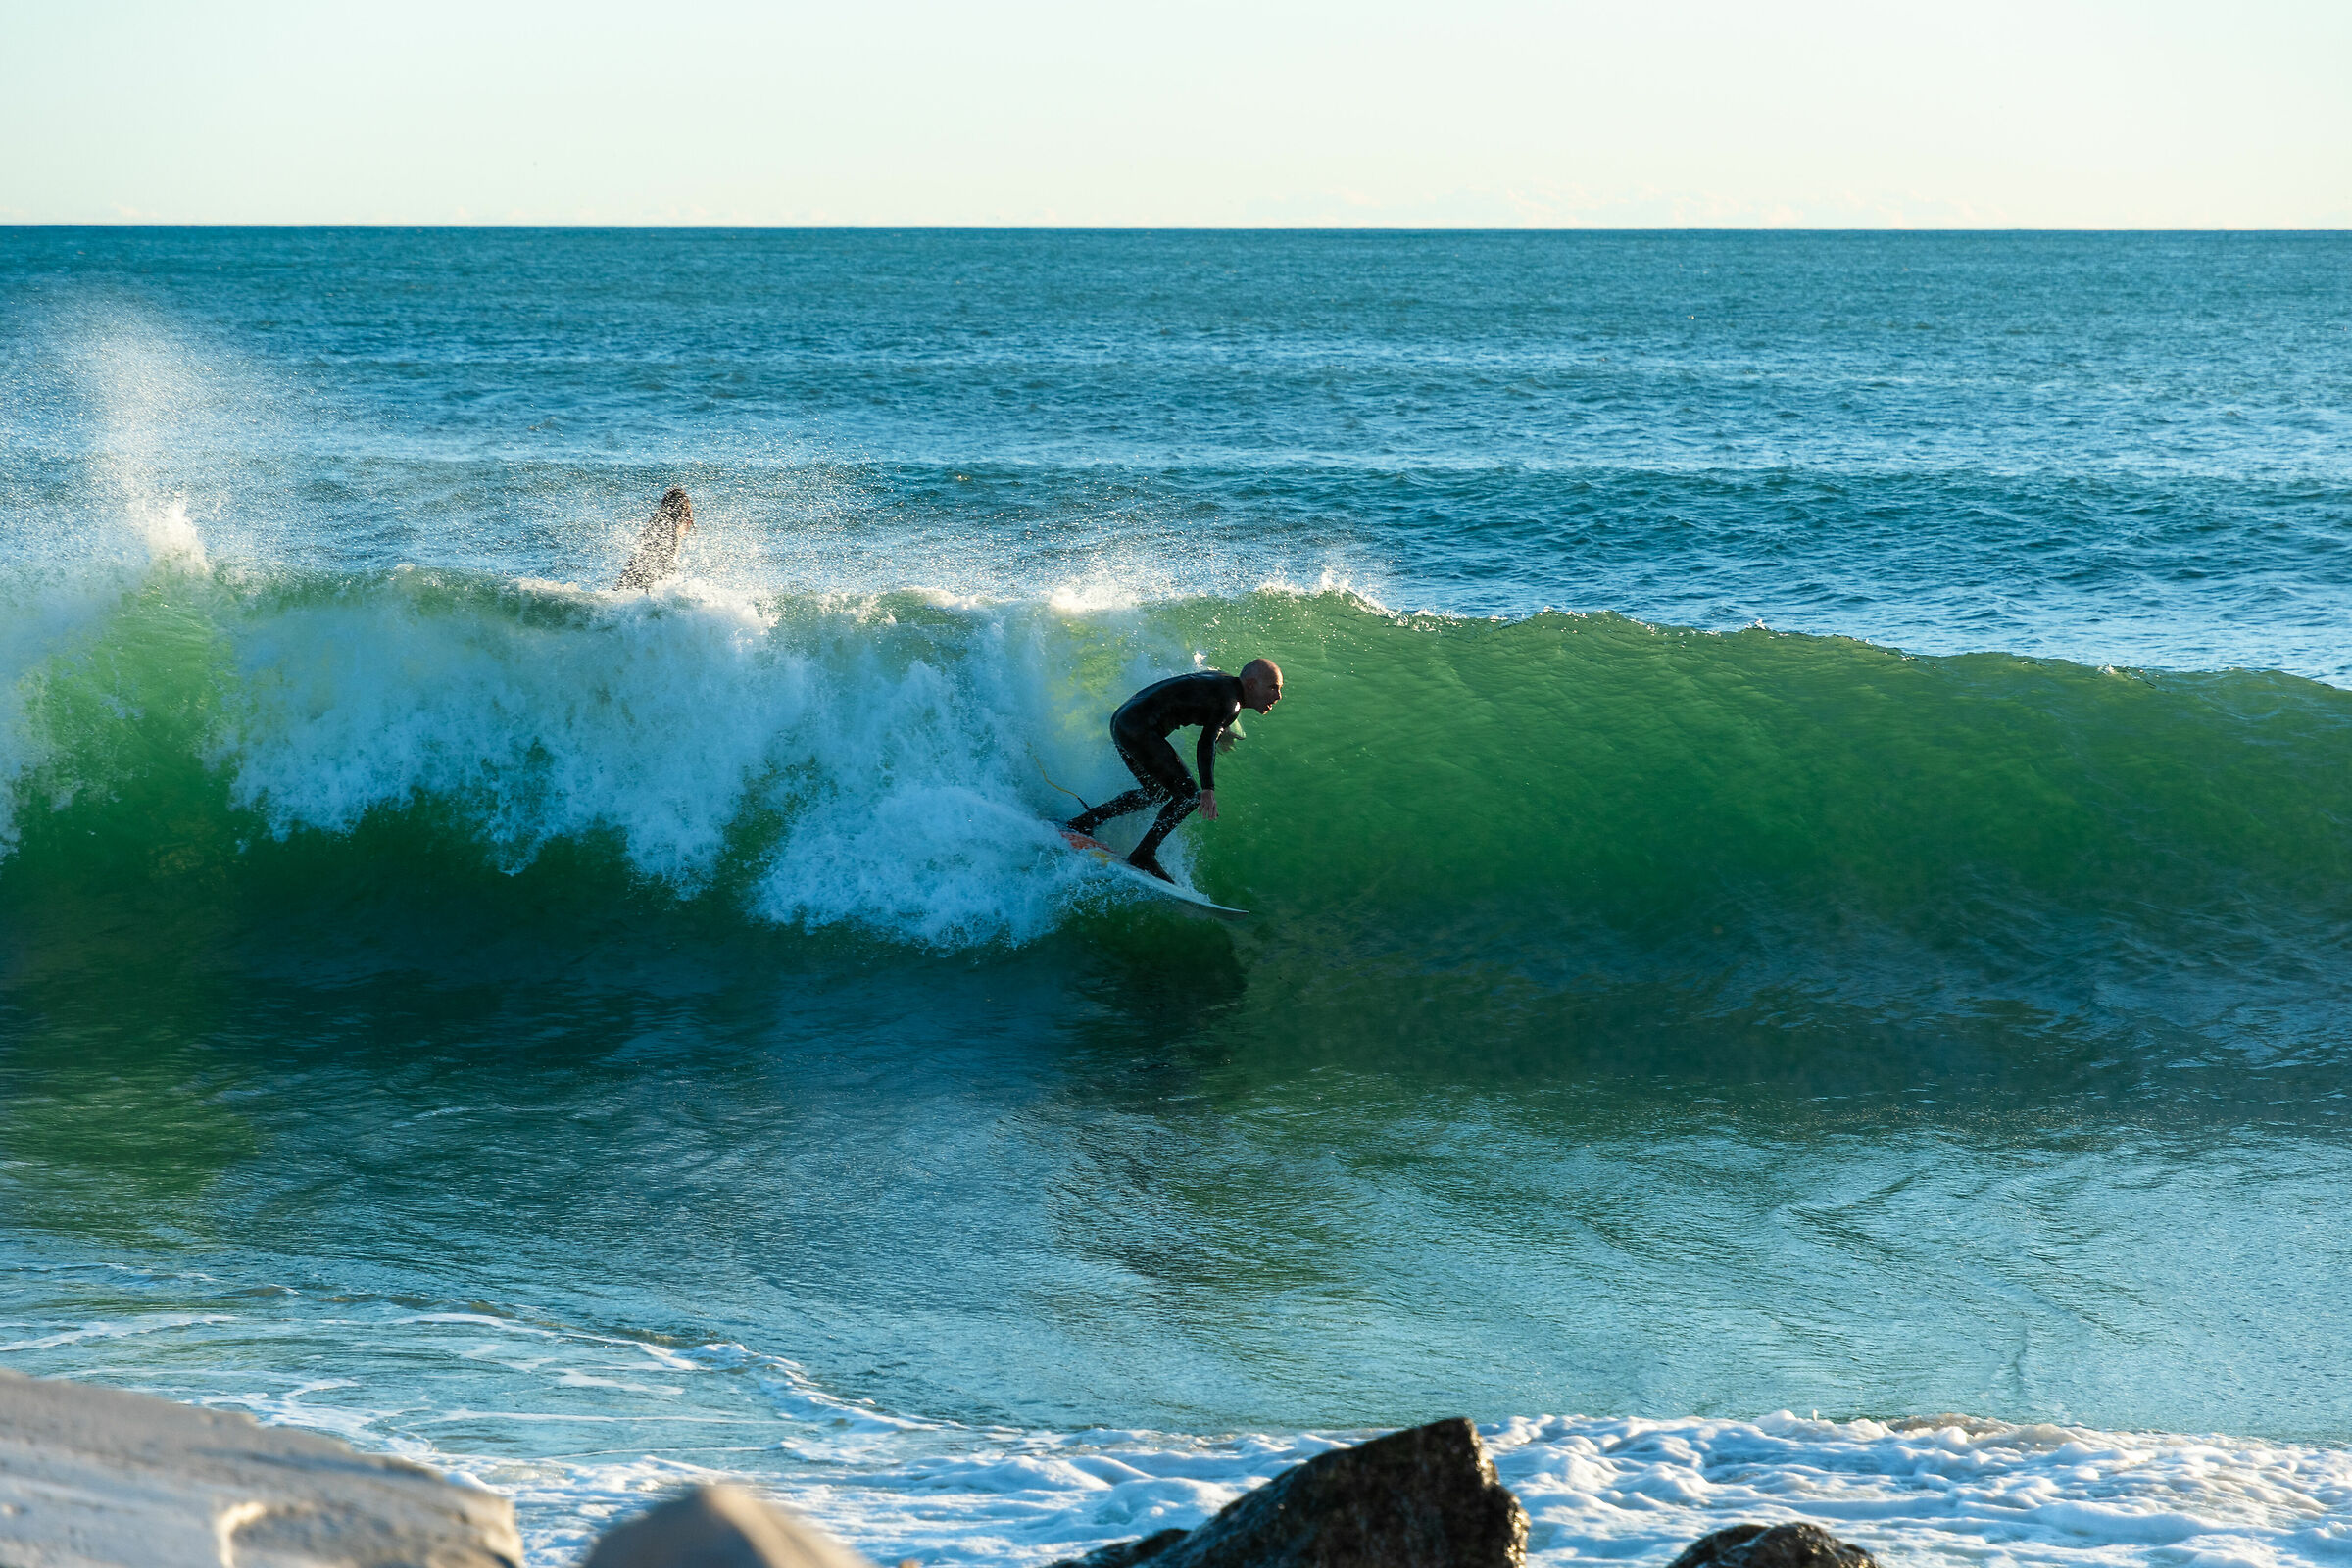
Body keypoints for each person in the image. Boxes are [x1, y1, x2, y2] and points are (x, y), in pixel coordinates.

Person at [1065, 659, 1284, 881]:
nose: (1278, 696)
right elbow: (1206, 743)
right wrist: (1208, 789)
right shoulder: (1230, 704)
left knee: (1156, 793)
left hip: (1124, 720)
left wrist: (1223, 727)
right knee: (1189, 796)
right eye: (1273, 687)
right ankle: (1143, 854)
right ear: (1251, 685)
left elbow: (1205, 691)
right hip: (1140, 729)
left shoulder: (1224, 680)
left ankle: (1086, 821)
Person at [616, 486, 696, 589]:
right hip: (643, 585)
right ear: (685, 514)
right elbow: (668, 568)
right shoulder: (672, 532)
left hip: (627, 581)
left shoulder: (655, 523)